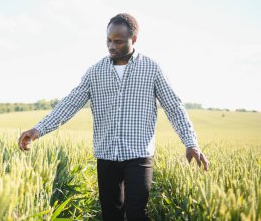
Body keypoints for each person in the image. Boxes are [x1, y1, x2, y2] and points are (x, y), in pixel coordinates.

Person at [18, 13, 209, 221]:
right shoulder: (95, 72)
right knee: (111, 215)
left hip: (139, 155)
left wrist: (191, 143)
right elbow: (69, 104)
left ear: (133, 39)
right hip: (106, 155)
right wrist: (38, 130)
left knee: (137, 214)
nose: (111, 46)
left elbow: (173, 106)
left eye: (118, 41)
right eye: (108, 40)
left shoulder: (151, 69)